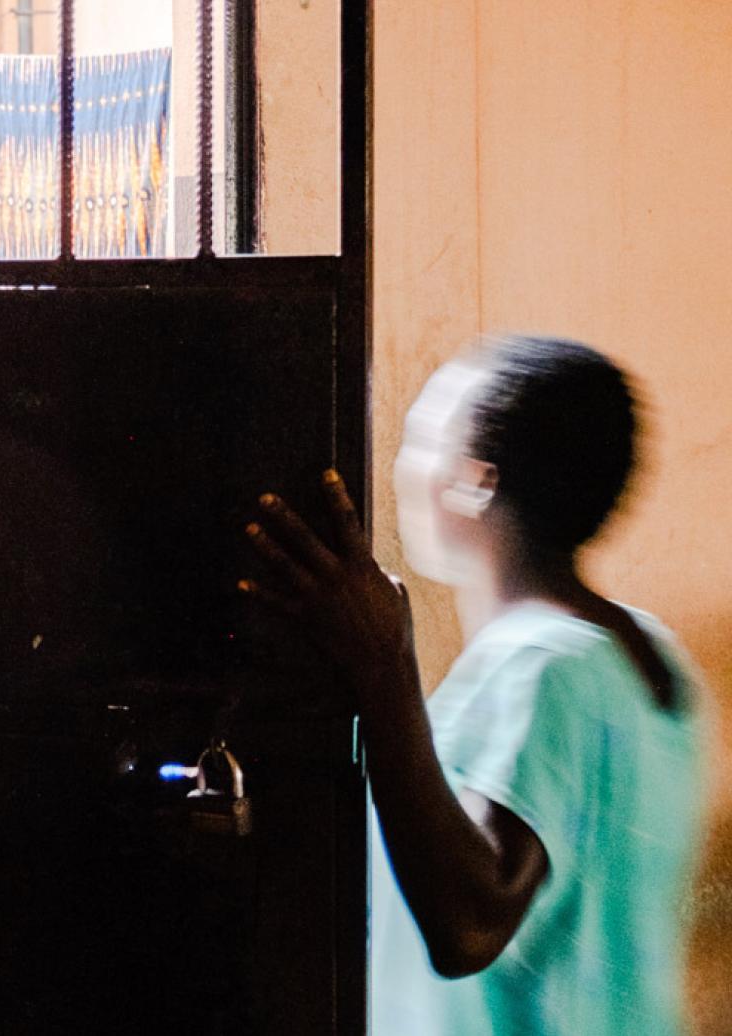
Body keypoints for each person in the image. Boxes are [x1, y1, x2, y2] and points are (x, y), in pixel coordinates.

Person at [240, 335, 711, 1034]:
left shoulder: (545, 667)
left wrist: (385, 666)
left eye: (424, 439)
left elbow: (469, 926)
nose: (405, 464)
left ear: (474, 482)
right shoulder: (651, 656)